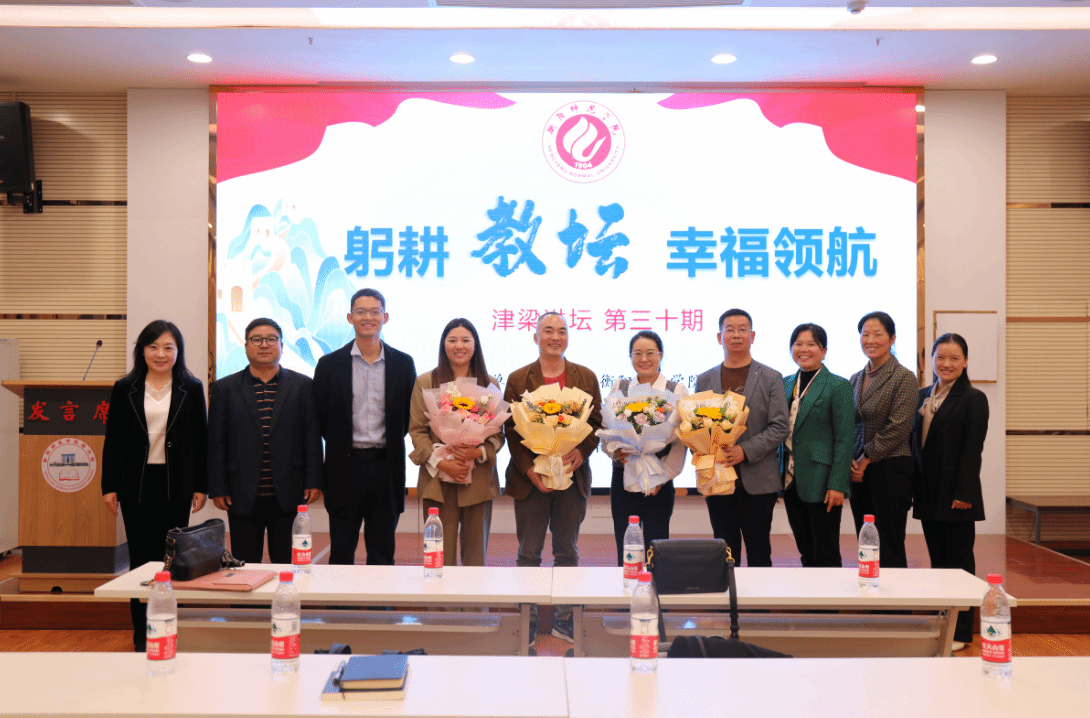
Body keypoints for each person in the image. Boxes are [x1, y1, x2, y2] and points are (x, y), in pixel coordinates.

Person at [101, 320, 208, 651]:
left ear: (178, 351)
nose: (161, 354)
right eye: (153, 347)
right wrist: (109, 485)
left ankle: (169, 629)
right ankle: (141, 634)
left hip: (177, 484)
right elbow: (113, 440)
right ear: (142, 351)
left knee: (173, 560)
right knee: (141, 560)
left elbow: (200, 440)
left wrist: (201, 485)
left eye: (168, 347)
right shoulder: (125, 388)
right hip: (136, 484)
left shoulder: (191, 387)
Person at [504, 311, 603, 644]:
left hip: (572, 478)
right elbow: (511, 430)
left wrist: (582, 451)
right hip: (530, 481)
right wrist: (529, 469)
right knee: (528, 552)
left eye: (562, 331)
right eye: (548, 331)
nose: (555, 337)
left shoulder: (585, 377)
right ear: (536, 337)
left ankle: (565, 619)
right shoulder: (519, 378)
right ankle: (528, 619)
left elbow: (596, 423)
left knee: (567, 551)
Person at [312, 288, 416, 565]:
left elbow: (409, 416)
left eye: (374, 312)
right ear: (350, 317)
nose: (367, 317)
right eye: (360, 312)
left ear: (385, 317)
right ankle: (340, 595)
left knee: (382, 551)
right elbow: (320, 418)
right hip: (343, 468)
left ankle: (379, 595)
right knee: (341, 549)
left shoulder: (403, 364)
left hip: (386, 467)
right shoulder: (329, 365)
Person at [207, 317, 323, 564]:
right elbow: (216, 442)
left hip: (289, 490)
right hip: (241, 492)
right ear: (246, 346)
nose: (264, 345)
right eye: (256, 339)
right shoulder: (225, 388)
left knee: (287, 562)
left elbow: (312, 437)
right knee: (245, 564)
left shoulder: (303, 386)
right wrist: (218, 487)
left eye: (271, 339)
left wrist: (314, 480)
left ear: (282, 345)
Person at [911, 333, 989, 651]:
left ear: (965, 361)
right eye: (940, 357)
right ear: (930, 359)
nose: (946, 364)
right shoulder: (922, 396)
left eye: (954, 358)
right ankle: (942, 623)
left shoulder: (973, 399)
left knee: (960, 565)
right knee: (938, 563)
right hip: (928, 494)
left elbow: (973, 450)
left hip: (957, 496)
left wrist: (965, 493)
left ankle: (961, 632)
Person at [695, 309, 789, 567]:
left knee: (759, 551)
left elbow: (780, 426)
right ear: (719, 337)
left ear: (752, 336)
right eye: (730, 329)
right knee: (724, 551)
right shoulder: (705, 379)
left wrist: (744, 450)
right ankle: (729, 592)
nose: (736, 335)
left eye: (742, 329)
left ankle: (759, 595)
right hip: (717, 478)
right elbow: (697, 427)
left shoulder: (771, 377)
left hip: (758, 480)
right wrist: (704, 448)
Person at [408, 318, 504, 567]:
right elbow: (417, 431)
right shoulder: (425, 382)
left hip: (479, 480)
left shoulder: (490, 384)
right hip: (438, 482)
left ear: (475, 345)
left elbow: (498, 435)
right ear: (444, 345)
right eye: (452, 340)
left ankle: (474, 597)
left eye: (465, 340)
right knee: (439, 558)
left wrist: (477, 452)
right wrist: (442, 462)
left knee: (476, 560)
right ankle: (438, 596)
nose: (459, 346)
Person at [605, 330, 689, 566]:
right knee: (625, 547)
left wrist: (662, 476)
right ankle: (626, 588)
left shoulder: (676, 390)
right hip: (623, 478)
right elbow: (607, 427)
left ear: (660, 355)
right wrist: (614, 451)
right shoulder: (620, 387)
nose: (644, 359)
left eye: (650, 353)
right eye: (638, 353)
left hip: (659, 480)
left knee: (657, 548)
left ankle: (656, 589)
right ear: (630, 356)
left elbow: (682, 440)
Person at [779, 323, 855, 567]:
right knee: (805, 548)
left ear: (824, 350)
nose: (804, 349)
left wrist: (837, 485)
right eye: (798, 344)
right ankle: (811, 592)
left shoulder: (839, 386)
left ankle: (830, 593)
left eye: (811, 344)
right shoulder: (784, 383)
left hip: (822, 480)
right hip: (790, 479)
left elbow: (845, 440)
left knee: (826, 550)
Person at [848, 311, 918, 569]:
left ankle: (895, 594)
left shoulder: (903, 377)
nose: (870, 340)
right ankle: (869, 588)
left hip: (891, 469)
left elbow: (899, 427)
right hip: (858, 472)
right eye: (865, 334)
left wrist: (865, 459)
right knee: (866, 540)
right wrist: (852, 461)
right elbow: (849, 424)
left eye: (878, 334)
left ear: (892, 339)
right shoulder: (855, 378)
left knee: (889, 541)